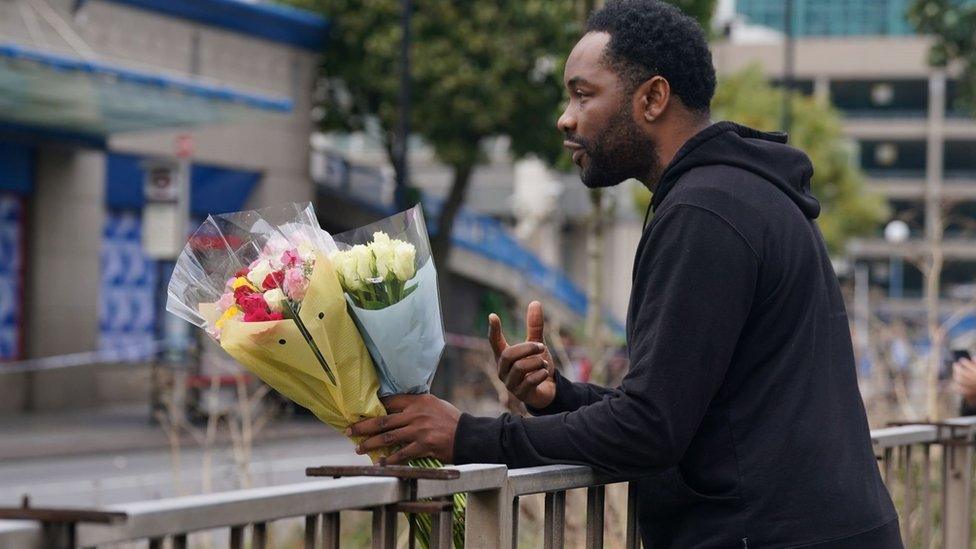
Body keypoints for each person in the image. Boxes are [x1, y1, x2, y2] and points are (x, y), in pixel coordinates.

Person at [348, 1, 901, 546]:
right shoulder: (739, 195)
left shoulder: (704, 212)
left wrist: (467, 436)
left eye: (583, 94)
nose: (566, 117)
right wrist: (556, 399)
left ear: (652, 98)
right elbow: (687, 408)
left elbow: (651, 431)